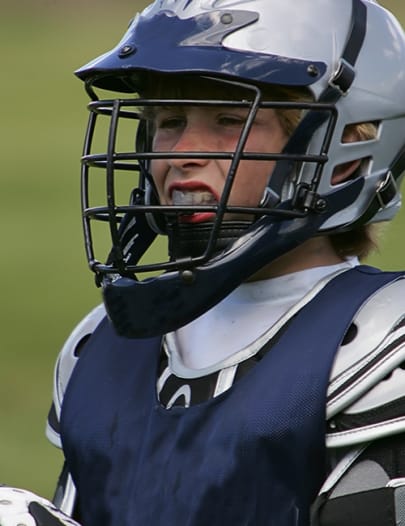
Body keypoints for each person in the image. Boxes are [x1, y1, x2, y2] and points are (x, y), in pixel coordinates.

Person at [1, 0, 405, 525]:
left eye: (228, 120)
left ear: (348, 149)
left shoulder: (380, 345)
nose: (183, 152)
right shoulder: (101, 347)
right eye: (169, 121)